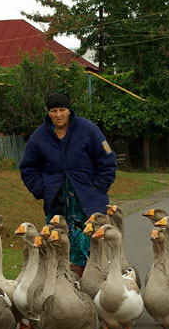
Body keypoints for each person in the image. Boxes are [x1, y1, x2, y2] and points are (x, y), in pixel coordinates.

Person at [19, 92, 117, 278]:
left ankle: (90, 281)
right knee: (57, 241)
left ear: (69, 111)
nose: (58, 115)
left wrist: (98, 187)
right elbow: (28, 168)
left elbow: (108, 160)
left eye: (62, 110)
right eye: (53, 111)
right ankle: (62, 282)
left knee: (88, 241)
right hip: (57, 201)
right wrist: (41, 190)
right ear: (48, 113)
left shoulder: (88, 129)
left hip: (87, 200)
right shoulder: (39, 136)